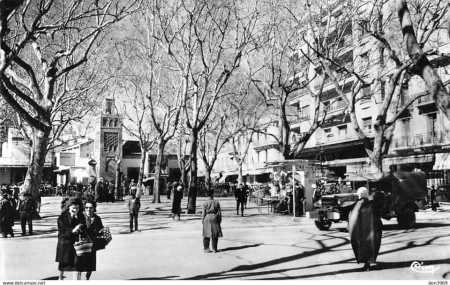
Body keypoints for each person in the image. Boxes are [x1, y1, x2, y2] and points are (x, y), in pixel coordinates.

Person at [348, 187, 382, 271]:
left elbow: (352, 218)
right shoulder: (371, 204)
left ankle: (366, 263)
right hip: (371, 232)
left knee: (362, 247)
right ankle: (369, 262)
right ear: (366, 194)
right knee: (370, 246)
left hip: (359, 232)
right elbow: (377, 217)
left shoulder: (356, 205)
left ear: (359, 195)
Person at [55, 197, 86, 280]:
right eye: (73, 208)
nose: (75, 210)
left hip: (77, 245)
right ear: (69, 207)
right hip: (65, 245)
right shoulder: (62, 217)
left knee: (77, 266)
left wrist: (82, 230)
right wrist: (73, 230)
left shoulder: (81, 216)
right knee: (63, 266)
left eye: (77, 208)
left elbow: (84, 229)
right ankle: (60, 279)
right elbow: (62, 232)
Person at [77, 200, 104, 280]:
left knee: (90, 266)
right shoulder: (80, 217)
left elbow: (101, 230)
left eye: (90, 208)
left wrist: (102, 234)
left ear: (94, 208)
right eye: (86, 208)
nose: (88, 209)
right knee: (80, 266)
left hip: (92, 244)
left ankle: (87, 279)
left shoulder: (97, 218)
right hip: (81, 243)